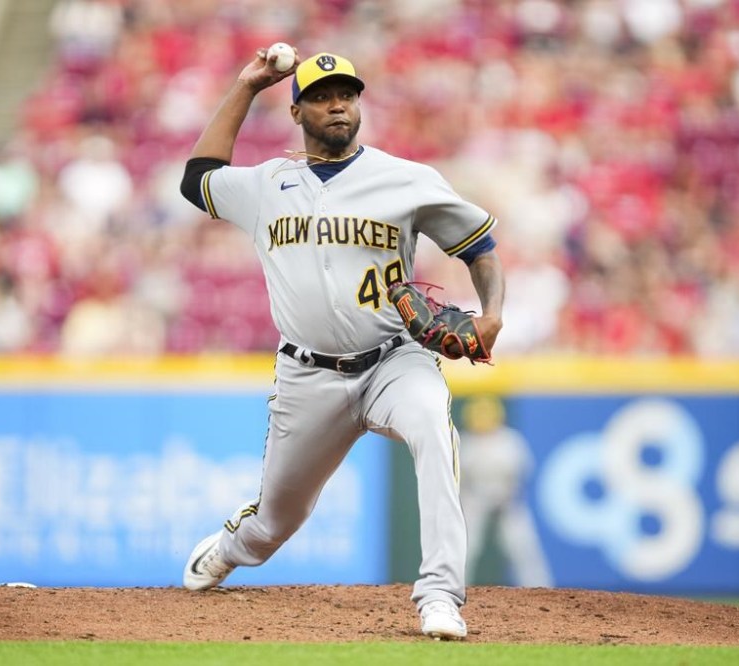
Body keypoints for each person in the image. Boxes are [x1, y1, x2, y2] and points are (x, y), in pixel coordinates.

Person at [178, 47, 505, 640]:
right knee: (276, 521)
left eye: (348, 95)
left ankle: (439, 596)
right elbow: (195, 179)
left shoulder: (406, 179)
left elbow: (480, 248)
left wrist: (493, 314)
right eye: (323, 97)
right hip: (307, 376)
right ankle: (232, 546)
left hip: (393, 361)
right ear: (297, 111)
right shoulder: (266, 185)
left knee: (434, 425)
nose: (338, 105)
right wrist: (247, 86)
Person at [460, 395, 552, 588]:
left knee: (522, 547)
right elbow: (459, 480)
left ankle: (540, 590)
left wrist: (509, 496)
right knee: (465, 546)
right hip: (476, 499)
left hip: (508, 498)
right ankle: (454, 589)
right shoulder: (465, 443)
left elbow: (522, 473)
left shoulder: (510, 441)